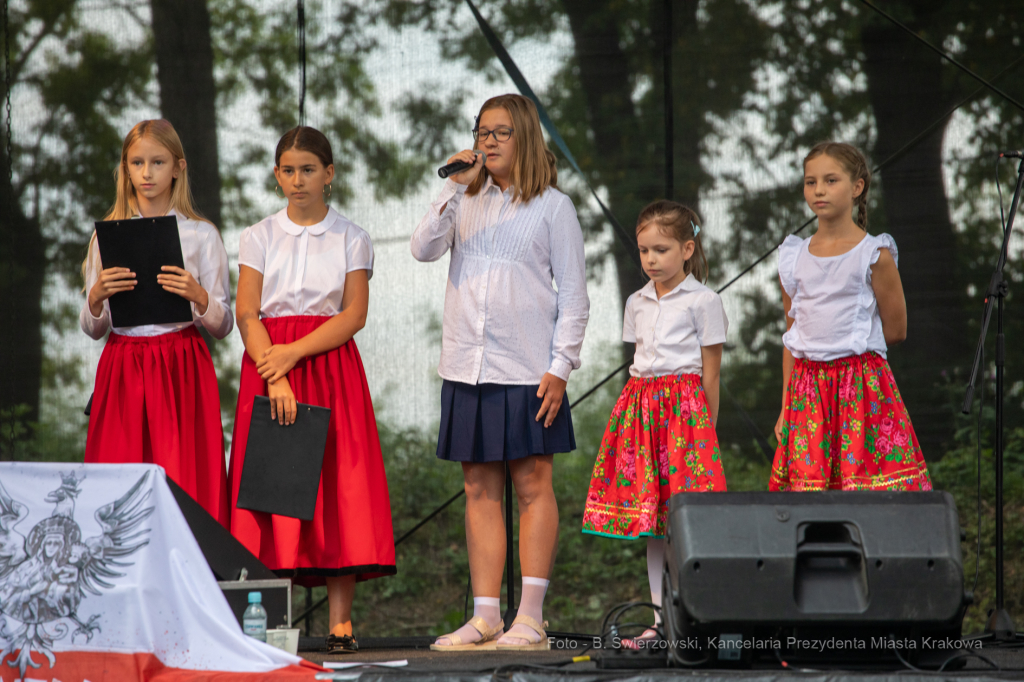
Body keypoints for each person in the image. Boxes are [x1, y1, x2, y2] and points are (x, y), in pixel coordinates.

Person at [411, 94, 589, 651]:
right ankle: (486, 615)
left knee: (533, 485)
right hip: (467, 365)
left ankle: (530, 617)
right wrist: (451, 187)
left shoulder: (555, 207)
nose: (487, 141)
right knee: (478, 488)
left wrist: (560, 367)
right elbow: (421, 249)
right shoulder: (463, 199)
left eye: (500, 132)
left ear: (525, 137)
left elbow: (575, 298)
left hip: (528, 368)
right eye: (481, 131)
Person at [229, 126, 395, 655]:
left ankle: (340, 623)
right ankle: (268, 622)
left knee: (338, 487)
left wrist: (294, 353)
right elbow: (247, 312)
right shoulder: (258, 235)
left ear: (329, 174)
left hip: (328, 365)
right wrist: (275, 373)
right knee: (272, 485)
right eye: (288, 170)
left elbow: (353, 314)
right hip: (268, 366)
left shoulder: (351, 236)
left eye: (307, 169)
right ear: (276, 175)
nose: (297, 180)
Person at [582, 200, 727, 647]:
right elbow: (640, 360)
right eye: (644, 250)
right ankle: (661, 618)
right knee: (653, 521)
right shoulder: (637, 302)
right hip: (642, 412)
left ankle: (695, 616)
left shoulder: (705, 301)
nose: (650, 259)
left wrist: (706, 431)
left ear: (687, 249)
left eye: (661, 250)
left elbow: (711, 374)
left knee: (685, 518)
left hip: (686, 417)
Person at [81, 119, 232, 526]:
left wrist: (199, 296)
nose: (147, 173)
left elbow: (223, 324)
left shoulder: (201, 235)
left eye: (158, 162)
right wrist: (95, 298)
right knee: (120, 474)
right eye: (137, 163)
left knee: (184, 475)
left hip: (181, 363)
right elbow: (94, 328)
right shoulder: (105, 238)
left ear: (178, 167)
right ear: (125, 169)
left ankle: (191, 555)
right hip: (123, 365)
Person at [770, 141, 931, 491]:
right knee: (811, 495)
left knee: (868, 491)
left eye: (831, 180)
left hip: (860, 388)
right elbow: (793, 338)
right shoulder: (792, 256)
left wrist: (848, 352)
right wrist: (786, 406)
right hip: (808, 391)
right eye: (810, 182)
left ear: (857, 187)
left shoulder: (874, 254)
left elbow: (896, 330)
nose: (819, 190)